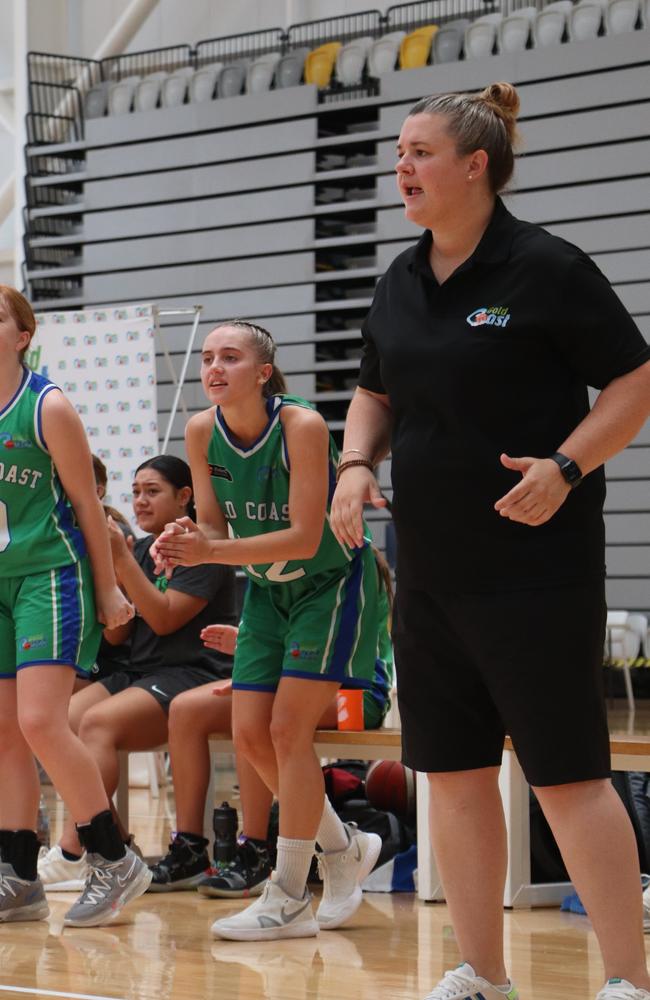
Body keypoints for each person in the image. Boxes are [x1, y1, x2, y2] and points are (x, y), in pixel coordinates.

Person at [329, 83, 650, 1000]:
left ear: (478, 165)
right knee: (454, 777)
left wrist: (566, 465)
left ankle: (626, 978)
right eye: (398, 153)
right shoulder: (399, 278)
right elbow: (376, 389)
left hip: (534, 577)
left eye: (420, 152)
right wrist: (355, 464)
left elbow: (634, 382)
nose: (402, 167)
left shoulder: (545, 267)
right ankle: (481, 972)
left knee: (567, 777)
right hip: (430, 575)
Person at [153, 319, 383, 941]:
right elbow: (213, 530)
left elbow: (306, 537)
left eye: (230, 357)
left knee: (286, 730)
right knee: (250, 734)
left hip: (327, 586)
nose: (214, 368)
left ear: (262, 372)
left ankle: (285, 895)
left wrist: (206, 552)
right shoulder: (202, 430)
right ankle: (343, 848)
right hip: (265, 593)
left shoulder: (300, 427)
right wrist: (181, 541)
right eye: (207, 358)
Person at [0, 285, 151, 927]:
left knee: (40, 722)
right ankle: (18, 876)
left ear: (22, 334)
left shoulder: (47, 406)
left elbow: (89, 505)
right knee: (3, 732)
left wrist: (110, 587)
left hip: (50, 576)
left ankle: (115, 861)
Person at [37, 454, 238, 892]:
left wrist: (120, 562)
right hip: (141, 672)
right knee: (61, 720)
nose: (141, 502)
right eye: (137, 493)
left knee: (97, 723)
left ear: (184, 497)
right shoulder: (143, 549)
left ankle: (74, 850)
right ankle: (115, 844)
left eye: (153, 492)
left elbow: (165, 619)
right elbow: (117, 636)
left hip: (193, 672)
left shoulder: (202, 547)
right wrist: (112, 576)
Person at [148, 546, 394, 896]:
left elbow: (330, 658)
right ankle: (190, 848)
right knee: (188, 709)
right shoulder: (275, 574)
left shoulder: (352, 575)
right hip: (292, 681)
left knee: (261, 714)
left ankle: (258, 848)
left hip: (356, 696)